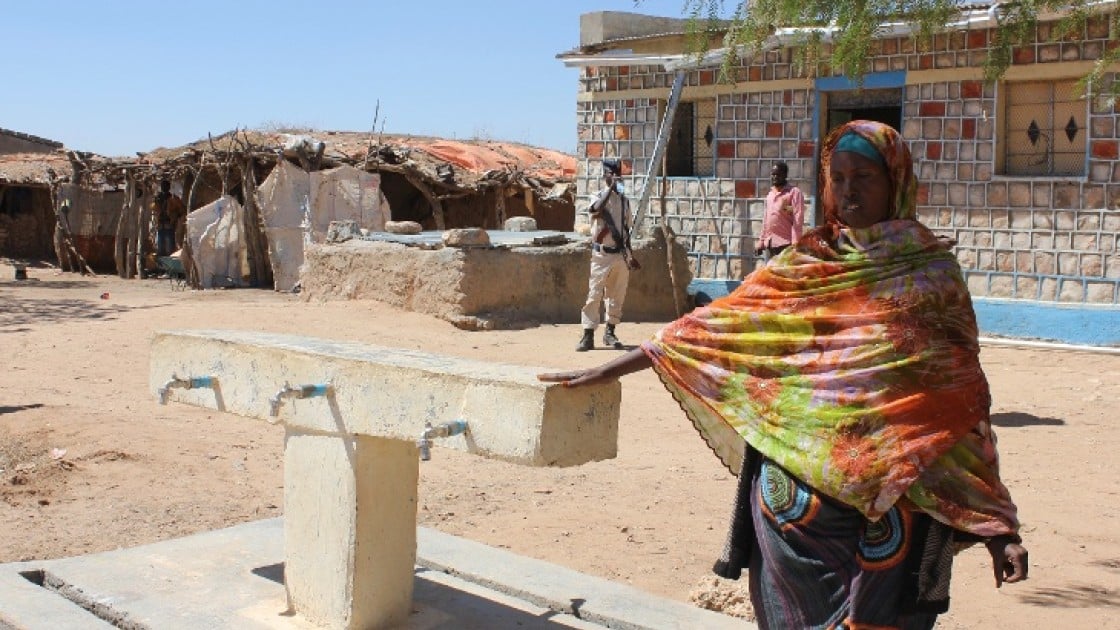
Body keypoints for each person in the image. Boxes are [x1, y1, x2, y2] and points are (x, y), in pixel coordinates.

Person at [541, 121, 1027, 628]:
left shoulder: (932, 278)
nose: (848, 190)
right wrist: (608, 368)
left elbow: (959, 407)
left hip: (895, 518)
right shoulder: (803, 265)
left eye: (864, 176)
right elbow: (709, 330)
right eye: (837, 177)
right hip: (795, 523)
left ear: (897, 182)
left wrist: (999, 529)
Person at [577, 158, 638, 352]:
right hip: (601, 255)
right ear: (605, 175)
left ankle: (610, 332)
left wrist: (630, 255)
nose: (615, 178)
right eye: (611, 174)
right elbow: (595, 210)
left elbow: (626, 230)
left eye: (617, 175)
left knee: (616, 296)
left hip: (619, 254)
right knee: (594, 294)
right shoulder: (597, 196)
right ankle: (588, 334)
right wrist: (610, 189)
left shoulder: (625, 201)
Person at [755, 161, 805, 259]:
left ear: (785, 175)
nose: (775, 177)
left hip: (786, 244)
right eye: (773, 174)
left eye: (778, 174)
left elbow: (797, 220)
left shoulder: (793, 193)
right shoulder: (770, 195)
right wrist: (761, 242)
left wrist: (795, 244)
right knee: (770, 273)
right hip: (770, 244)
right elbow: (766, 220)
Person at [152, 179, 186, 258]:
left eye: (166, 186)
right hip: (161, 223)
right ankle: (162, 261)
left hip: (169, 223)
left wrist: (176, 216)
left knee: (169, 243)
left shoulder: (173, 198)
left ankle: (169, 259)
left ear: (169, 187)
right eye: (163, 186)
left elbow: (182, 210)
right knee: (161, 243)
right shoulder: (158, 198)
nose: (164, 187)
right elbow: (154, 209)